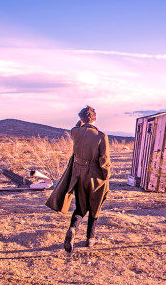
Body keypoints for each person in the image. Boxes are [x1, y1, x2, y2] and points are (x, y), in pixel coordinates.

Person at [63, 106, 111, 252]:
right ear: (95, 118)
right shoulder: (101, 136)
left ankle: (72, 228)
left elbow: (75, 128)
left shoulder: (75, 132)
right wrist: (106, 177)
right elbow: (105, 161)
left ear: (81, 119)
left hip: (79, 176)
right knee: (94, 208)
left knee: (80, 207)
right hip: (95, 177)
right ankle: (90, 239)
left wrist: (81, 123)